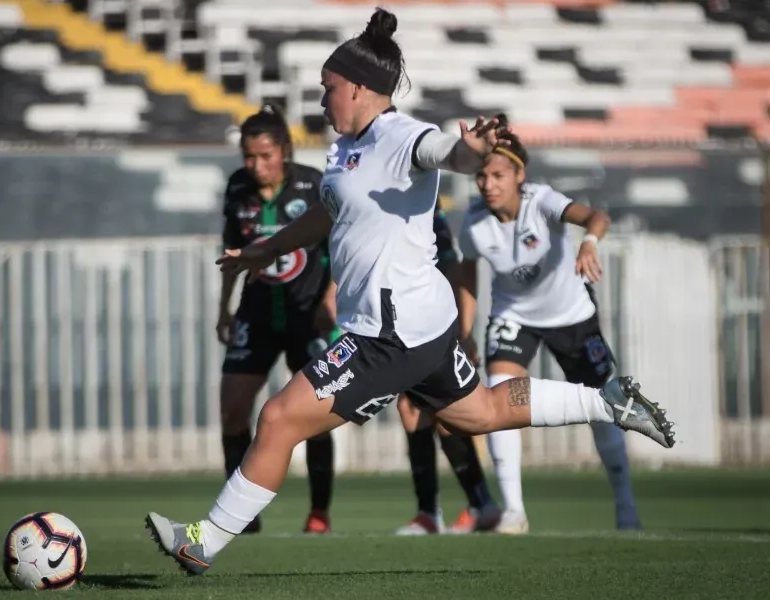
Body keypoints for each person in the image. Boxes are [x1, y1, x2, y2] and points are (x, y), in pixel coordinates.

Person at [144, 8, 675, 576]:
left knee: (277, 419)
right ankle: (609, 401)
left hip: (389, 331)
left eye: (328, 90)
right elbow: (331, 211)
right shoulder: (346, 147)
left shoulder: (403, 136)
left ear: (357, 87)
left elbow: (449, 153)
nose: (322, 101)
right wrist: (264, 251)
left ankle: (201, 542)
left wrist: (471, 150)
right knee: (479, 413)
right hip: (420, 321)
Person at [455, 120, 642, 532]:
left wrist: (589, 243)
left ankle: (626, 506)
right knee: (496, 397)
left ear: (520, 176)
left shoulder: (542, 202)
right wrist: (464, 331)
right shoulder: (473, 223)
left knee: (601, 404)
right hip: (514, 316)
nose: (488, 183)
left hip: (570, 315)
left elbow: (596, 217)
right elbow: (466, 276)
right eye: (482, 175)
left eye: (498, 175)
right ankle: (514, 511)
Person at [216, 104, 337, 535]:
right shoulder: (237, 189)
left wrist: (332, 297)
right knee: (233, 411)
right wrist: (224, 308)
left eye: (265, 156)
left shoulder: (315, 185)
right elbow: (233, 251)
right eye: (249, 157)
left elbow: (339, 246)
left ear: (284, 150)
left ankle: (319, 513)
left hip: (309, 316)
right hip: (257, 313)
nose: (256, 165)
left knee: (316, 412)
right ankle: (244, 517)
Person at [394, 200, 501, 535]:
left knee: (444, 413)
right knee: (413, 410)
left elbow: (453, 268)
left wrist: (461, 333)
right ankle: (436, 512)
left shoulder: (421, 209)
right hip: (404, 327)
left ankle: (479, 505)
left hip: (432, 327)